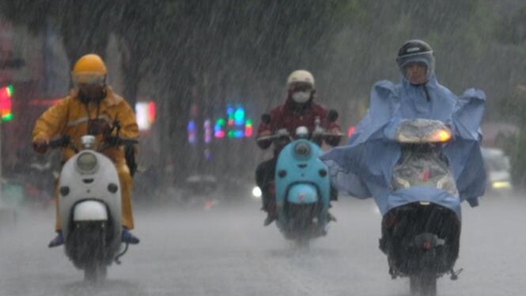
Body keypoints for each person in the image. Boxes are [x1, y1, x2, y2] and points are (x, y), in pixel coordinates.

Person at [321, 39, 486, 249]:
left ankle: (449, 233)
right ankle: (392, 231)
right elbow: (371, 124)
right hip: (399, 162)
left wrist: (458, 130)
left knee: (449, 195)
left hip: (437, 162)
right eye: (410, 67)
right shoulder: (391, 97)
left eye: (419, 66)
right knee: (387, 187)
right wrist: (385, 131)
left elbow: (464, 123)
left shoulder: (445, 97)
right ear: (403, 69)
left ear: (429, 66)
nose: (415, 72)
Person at [32, 53, 140, 247]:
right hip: (74, 161)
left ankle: (123, 225)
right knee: (61, 183)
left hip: (110, 160)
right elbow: (47, 122)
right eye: (83, 82)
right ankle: (62, 229)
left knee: (123, 175)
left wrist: (111, 132)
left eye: (93, 82)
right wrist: (41, 137)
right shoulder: (67, 105)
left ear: (103, 81)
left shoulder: (118, 105)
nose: (89, 87)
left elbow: (131, 130)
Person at [255, 70, 341, 226]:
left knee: (334, 170)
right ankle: (271, 206)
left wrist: (333, 131)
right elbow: (263, 136)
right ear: (290, 90)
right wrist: (266, 132)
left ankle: (326, 202)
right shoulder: (277, 113)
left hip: (315, 159)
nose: (301, 92)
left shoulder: (321, 112)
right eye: (297, 88)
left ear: (312, 91)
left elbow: (333, 131)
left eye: (305, 88)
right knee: (263, 171)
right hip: (283, 159)